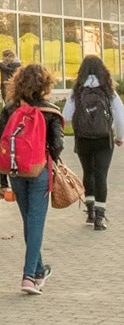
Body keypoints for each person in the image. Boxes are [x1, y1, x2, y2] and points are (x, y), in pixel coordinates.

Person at [0, 64, 64, 294]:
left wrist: (1, 180)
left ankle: (38, 271)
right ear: (45, 84)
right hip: (39, 171)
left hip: (15, 172)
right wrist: (48, 159)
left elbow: (1, 145)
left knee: (28, 220)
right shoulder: (51, 111)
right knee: (35, 222)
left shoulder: (9, 109)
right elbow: (58, 145)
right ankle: (28, 277)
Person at [63, 55, 124, 230]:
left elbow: (66, 116)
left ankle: (90, 213)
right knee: (101, 175)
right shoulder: (108, 90)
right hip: (104, 139)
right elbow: (120, 117)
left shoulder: (77, 91)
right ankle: (100, 217)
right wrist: (119, 137)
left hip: (83, 138)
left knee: (88, 172)